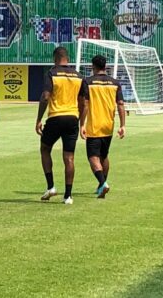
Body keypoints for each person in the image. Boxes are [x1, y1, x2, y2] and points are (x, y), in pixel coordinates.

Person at [35, 47, 87, 205]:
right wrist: (82, 123)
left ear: (54, 58)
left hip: (56, 117)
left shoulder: (52, 73)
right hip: (72, 118)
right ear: (68, 59)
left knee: (45, 149)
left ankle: (51, 186)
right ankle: (68, 196)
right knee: (69, 157)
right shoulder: (79, 76)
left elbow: (45, 97)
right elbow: (84, 103)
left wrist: (38, 119)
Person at [79, 55, 126, 199]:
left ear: (93, 66)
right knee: (104, 155)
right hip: (108, 125)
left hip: (94, 125)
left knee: (93, 157)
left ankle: (102, 183)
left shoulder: (88, 82)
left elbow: (85, 105)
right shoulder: (115, 83)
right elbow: (121, 104)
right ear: (105, 66)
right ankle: (101, 185)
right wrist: (123, 125)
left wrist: (82, 124)